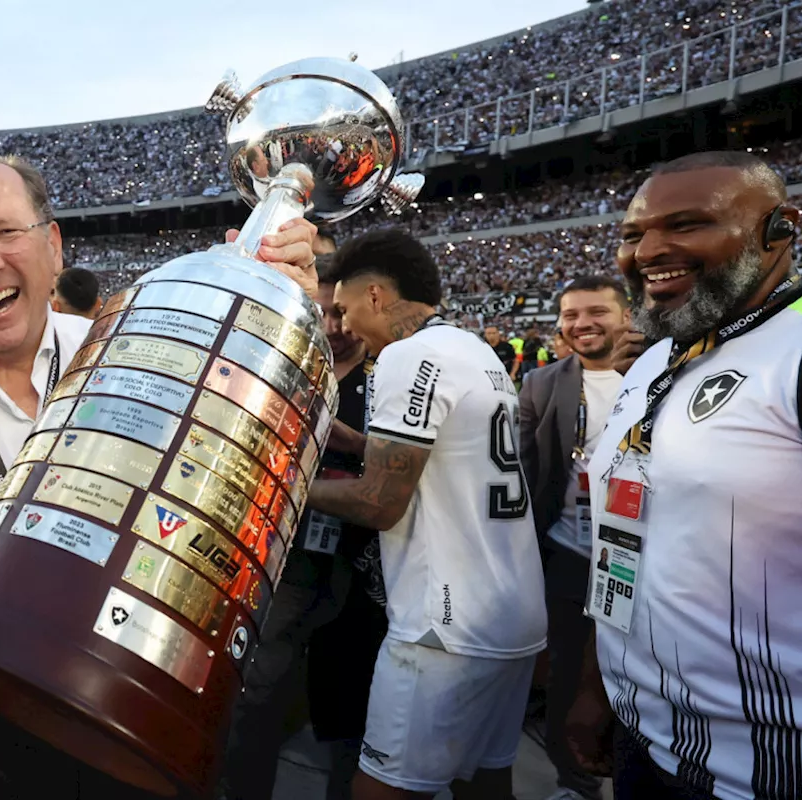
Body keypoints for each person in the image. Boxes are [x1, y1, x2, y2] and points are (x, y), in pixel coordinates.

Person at [0, 147, 320, 800]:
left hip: (132, 707)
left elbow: (236, 435)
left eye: (7, 231)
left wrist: (277, 315)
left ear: (54, 247)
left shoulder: (132, 340)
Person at [567, 151, 802, 800]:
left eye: (687, 224)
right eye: (632, 234)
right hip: (645, 739)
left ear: (780, 228)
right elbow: (624, 535)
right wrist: (599, 685)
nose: (647, 251)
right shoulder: (654, 363)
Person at [308, 228, 547, 800]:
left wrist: (288, 485)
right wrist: (348, 438)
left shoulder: (408, 355)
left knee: (382, 790)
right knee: (487, 784)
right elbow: (447, 458)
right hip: (512, 610)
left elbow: (379, 503)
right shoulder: (471, 348)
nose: (339, 326)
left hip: (444, 625)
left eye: (342, 310)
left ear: (374, 296)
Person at [219, 256, 387, 800]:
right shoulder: (282, 369)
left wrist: (345, 443)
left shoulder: (390, 379)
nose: (334, 326)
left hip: (360, 575)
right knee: (257, 698)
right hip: (281, 566)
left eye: (341, 312)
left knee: (349, 713)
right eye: (323, 314)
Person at [517, 275, 630, 800]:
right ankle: (572, 779)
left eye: (596, 312)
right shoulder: (542, 383)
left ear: (626, 316)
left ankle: (630, 769)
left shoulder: (658, 374)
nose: (582, 324)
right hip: (568, 551)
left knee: (629, 672)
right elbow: (523, 470)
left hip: (642, 559)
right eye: (570, 315)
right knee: (564, 669)